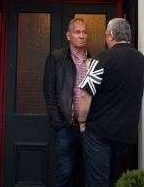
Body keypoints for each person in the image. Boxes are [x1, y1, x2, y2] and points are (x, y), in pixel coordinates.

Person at [77, 18, 144, 187]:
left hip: (99, 133)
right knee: (114, 179)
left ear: (111, 36)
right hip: (126, 135)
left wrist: (81, 122)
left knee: (97, 181)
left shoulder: (102, 58)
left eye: (107, 35)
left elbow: (86, 93)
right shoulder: (141, 60)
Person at [43, 17, 91, 187]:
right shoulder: (57, 58)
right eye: (77, 32)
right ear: (68, 35)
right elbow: (49, 93)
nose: (81, 35)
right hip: (66, 127)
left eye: (84, 32)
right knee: (65, 171)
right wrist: (59, 123)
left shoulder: (93, 61)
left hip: (88, 127)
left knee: (86, 171)